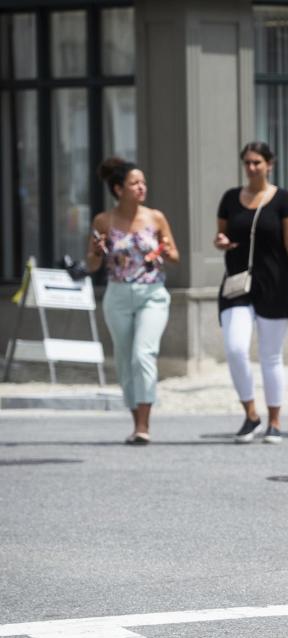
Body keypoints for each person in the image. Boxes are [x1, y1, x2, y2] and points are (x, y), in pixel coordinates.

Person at [214, 141, 288, 444]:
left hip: (275, 283)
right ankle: (251, 414)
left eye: (257, 162)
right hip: (237, 284)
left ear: (269, 164)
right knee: (235, 348)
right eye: (247, 163)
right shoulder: (230, 198)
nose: (252, 168)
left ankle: (275, 421)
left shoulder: (283, 200)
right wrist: (221, 243)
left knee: (270, 356)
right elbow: (222, 234)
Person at [87, 157, 180, 445]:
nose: (141, 187)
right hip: (117, 295)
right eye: (134, 183)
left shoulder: (156, 217)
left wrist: (164, 251)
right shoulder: (104, 220)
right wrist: (97, 252)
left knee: (143, 354)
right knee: (125, 360)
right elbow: (91, 264)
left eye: (143, 182)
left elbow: (175, 256)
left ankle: (144, 425)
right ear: (118, 189)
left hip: (151, 294)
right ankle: (135, 420)